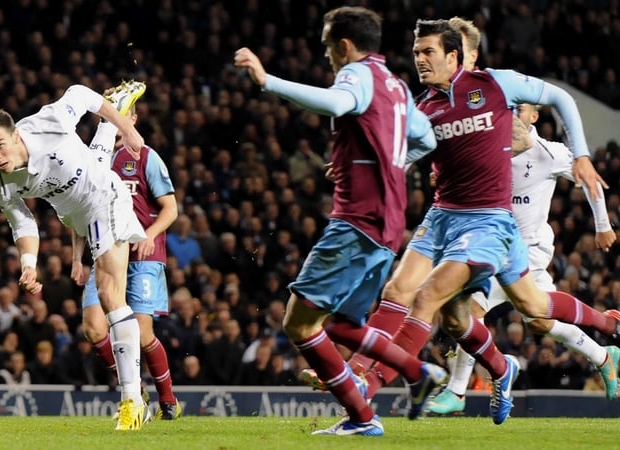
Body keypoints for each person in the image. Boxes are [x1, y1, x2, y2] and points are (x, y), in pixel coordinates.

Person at [303, 16, 620, 412]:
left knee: (437, 299)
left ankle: (372, 384)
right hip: (443, 218)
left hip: (490, 223)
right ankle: (492, 368)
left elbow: (562, 99)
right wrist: (358, 165)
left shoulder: (496, 86)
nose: (419, 59)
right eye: (416, 52)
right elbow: (403, 154)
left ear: (455, 56)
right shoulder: (425, 108)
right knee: (417, 300)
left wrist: (585, 159)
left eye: (428, 52)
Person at [234, 6, 444, 437]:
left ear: (344, 45)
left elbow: (337, 101)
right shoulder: (396, 86)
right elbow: (426, 138)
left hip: (357, 223)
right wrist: (386, 163)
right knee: (346, 324)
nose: (328, 55)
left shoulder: (357, 75)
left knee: (298, 321)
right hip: (386, 227)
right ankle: (417, 374)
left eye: (329, 46)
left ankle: (362, 416)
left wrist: (267, 81)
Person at [0, 80, 149, 431]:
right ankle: (111, 117)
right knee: (89, 160)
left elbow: (81, 94)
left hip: (104, 198)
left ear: (16, 136)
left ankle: (132, 400)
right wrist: (28, 264)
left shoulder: (48, 124)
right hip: (73, 210)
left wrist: (126, 128)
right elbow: (22, 220)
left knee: (109, 295)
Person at [427, 102, 620, 415]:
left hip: (528, 250)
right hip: (494, 244)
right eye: (510, 109)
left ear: (534, 117)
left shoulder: (550, 153)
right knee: (542, 323)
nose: (514, 115)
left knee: (471, 308)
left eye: (522, 110)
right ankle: (603, 356)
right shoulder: (490, 147)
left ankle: (457, 390)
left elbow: (588, 177)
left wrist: (602, 225)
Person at [75, 101, 181, 420]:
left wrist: (149, 235)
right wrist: (76, 257)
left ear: (132, 119)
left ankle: (168, 400)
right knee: (94, 328)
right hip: (105, 253)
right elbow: (80, 207)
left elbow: (171, 208)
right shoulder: (95, 159)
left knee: (143, 333)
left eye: (123, 112)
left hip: (144, 258)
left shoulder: (147, 157)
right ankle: (134, 388)